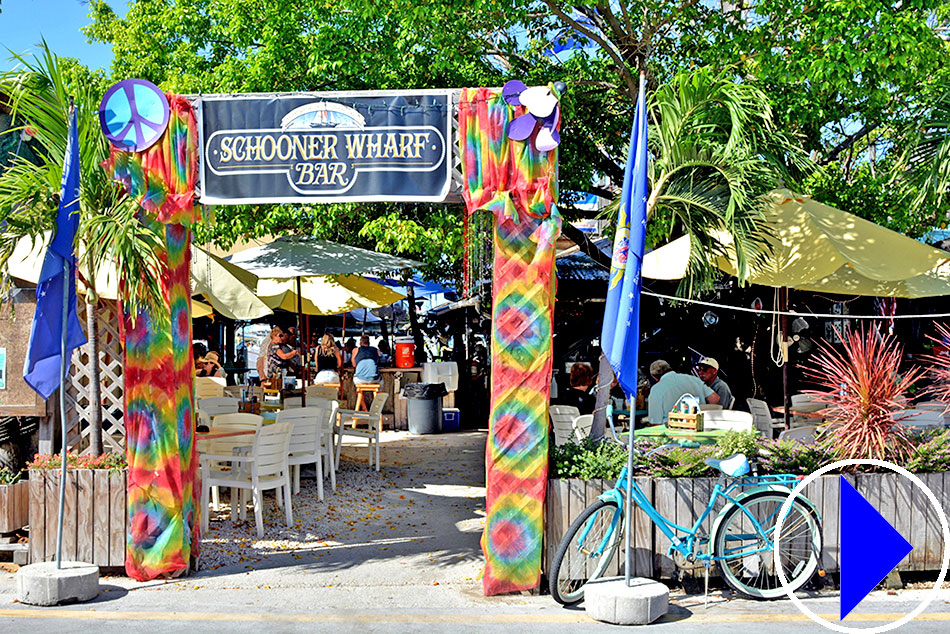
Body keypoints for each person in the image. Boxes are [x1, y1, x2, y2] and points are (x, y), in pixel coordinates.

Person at [647, 359, 719, 425]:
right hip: (698, 426)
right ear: (670, 369)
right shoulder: (694, 379)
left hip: (673, 431)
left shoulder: (656, 389)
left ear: (655, 378)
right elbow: (714, 398)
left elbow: (655, 423)